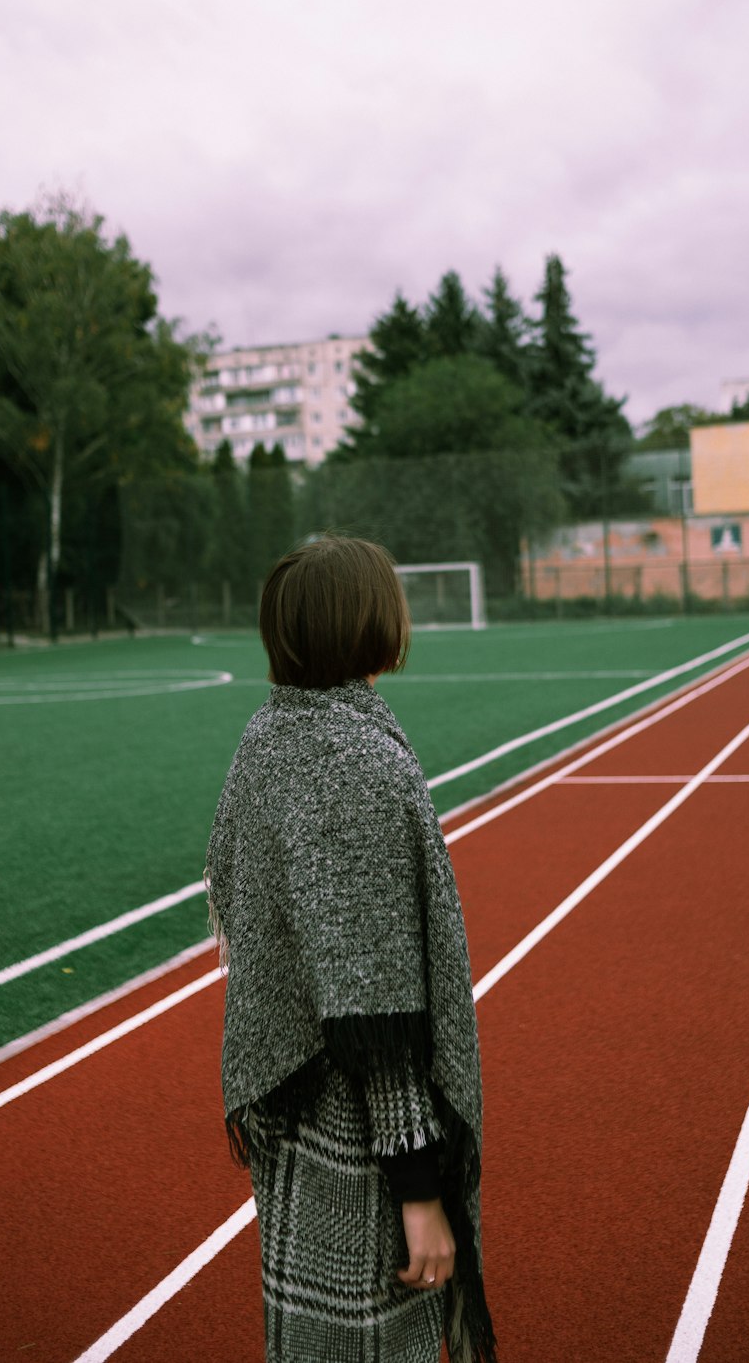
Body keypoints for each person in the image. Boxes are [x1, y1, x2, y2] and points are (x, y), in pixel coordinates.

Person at [205, 534, 497, 1363]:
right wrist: (419, 1194)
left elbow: (239, 899)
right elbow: (376, 1011)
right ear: (371, 624)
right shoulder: (356, 763)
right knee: (373, 1346)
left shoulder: (268, 741)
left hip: (288, 1107)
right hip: (353, 1128)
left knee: (310, 1345)